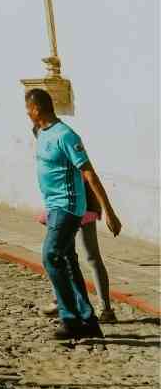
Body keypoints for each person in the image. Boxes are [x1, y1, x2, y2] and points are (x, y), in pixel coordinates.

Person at [25, 88, 120, 342]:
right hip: (54, 206)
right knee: (68, 260)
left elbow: (89, 173)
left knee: (51, 256)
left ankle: (70, 317)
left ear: (36, 109)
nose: (27, 113)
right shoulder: (40, 133)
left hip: (69, 206)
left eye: (28, 109)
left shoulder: (65, 135)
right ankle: (88, 320)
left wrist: (108, 211)